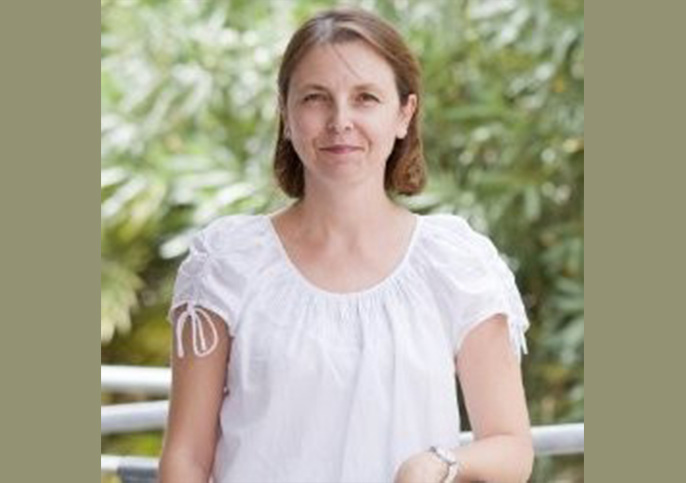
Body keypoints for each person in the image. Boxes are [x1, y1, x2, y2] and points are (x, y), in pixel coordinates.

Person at [158, 7, 534, 483]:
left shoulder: (458, 264)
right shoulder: (225, 264)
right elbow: (186, 458)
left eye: (365, 98)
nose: (340, 120)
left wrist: (439, 462)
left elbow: (511, 447)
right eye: (316, 98)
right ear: (286, 114)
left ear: (404, 114)